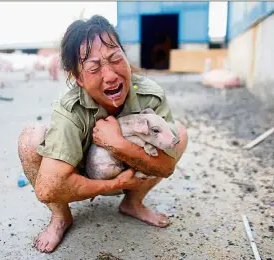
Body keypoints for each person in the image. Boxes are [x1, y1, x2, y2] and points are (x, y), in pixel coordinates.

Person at [18, 15, 188, 253]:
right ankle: (61, 217)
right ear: (78, 78)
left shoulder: (150, 96)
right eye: (94, 68)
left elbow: (166, 167)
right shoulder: (70, 109)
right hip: (82, 176)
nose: (110, 76)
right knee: (30, 139)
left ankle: (133, 203)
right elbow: (47, 188)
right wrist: (113, 185)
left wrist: (118, 144)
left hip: (132, 170)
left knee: (178, 131)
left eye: (116, 58)